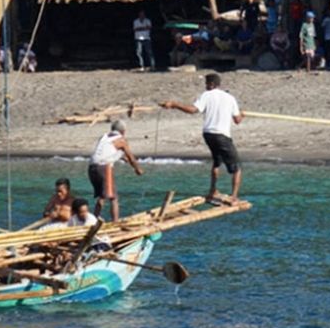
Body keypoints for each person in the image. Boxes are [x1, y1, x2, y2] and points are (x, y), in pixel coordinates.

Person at [160, 73, 244, 202]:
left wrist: (175, 105)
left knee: (217, 162)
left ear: (211, 84)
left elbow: (193, 110)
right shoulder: (230, 98)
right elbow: (237, 120)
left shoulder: (207, 95)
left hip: (208, 134)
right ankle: (234, 196)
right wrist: (242, 115)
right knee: (237, 168)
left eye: (206, 84)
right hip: (222, 135)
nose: (205, 86)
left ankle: (213, 191)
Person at [88, 120, 144, 222]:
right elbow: (131, 158)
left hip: (91, 168)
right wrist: (138, 169)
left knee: (102, 196)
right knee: (113, 198)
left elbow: (105, 152)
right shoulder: (121, 140)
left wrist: (121, 157)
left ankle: (93, 220)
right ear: (123, 131)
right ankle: (115, 222)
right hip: (104, 167)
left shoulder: (104, 137)